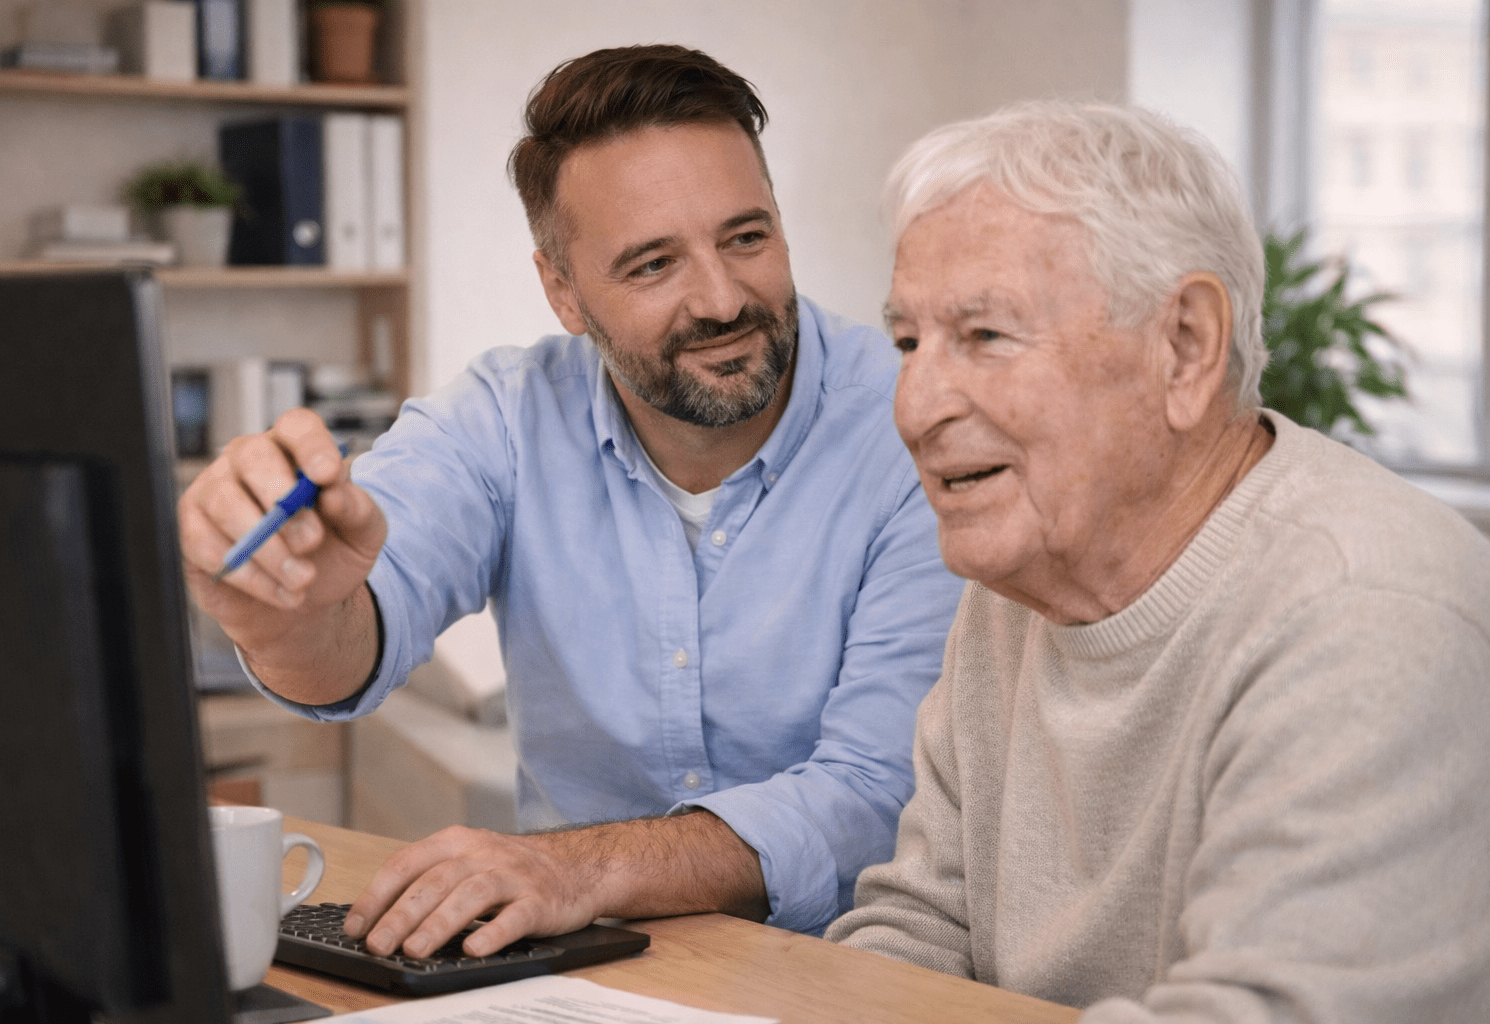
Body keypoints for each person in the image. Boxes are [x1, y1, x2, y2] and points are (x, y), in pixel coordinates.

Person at [178, 44, 964, 961]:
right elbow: (346, 648)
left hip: (839, 975)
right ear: (564, 291)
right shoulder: (503, 419)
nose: (721, 298)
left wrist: (578, 871)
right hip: (571, 981)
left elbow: (878, 794)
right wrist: (282, 612)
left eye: (746, 238)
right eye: (652, 264)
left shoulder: (912, 429)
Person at [825, 101, 1490, 1021]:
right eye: (908, 342)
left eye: (984, 337)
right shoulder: (1022, 583)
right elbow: (914, 929)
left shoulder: (1366, 605)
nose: (914, 405)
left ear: (1184, 348)